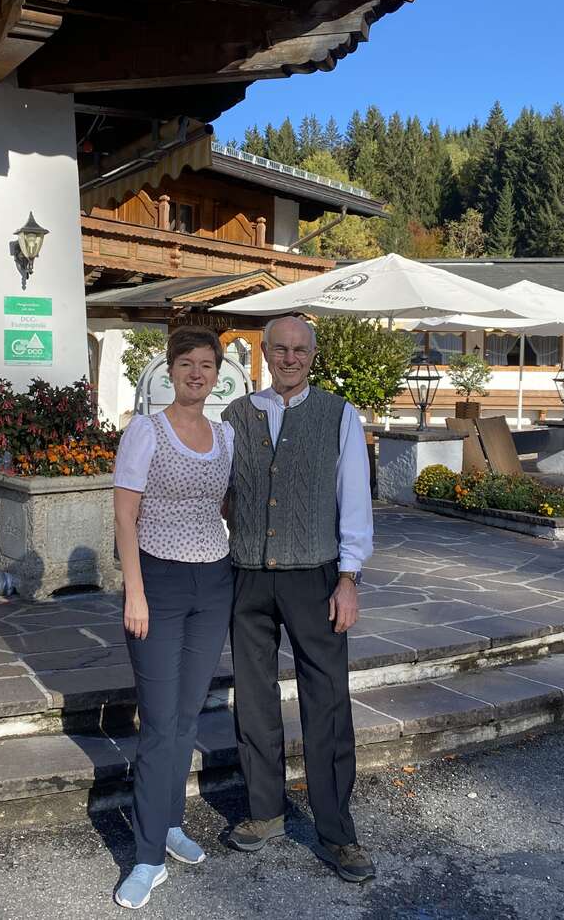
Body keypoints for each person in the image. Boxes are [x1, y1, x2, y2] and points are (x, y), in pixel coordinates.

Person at [222, 314, 375, 883]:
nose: (289, 359)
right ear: (264, 353)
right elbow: (224, 492)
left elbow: (353, 498)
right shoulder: (237, 415)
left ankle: (338, 832)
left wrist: (350, 577)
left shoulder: (338, 415)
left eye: (299, 351)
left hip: (316, 574)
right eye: (280, 350)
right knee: (255, 698)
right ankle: (264, 811)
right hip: (248, 576)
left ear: (313, 356)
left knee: (328, 702)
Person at [112, 326, 234, 910]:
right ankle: (146, 856)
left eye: (206, 364)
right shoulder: (146, 430)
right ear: (170, 369)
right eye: (186, 363)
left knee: (187, 716)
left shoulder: (226, 435)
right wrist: (134, 593)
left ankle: (171, 824)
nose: (195, 373)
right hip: (156, 581)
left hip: (214, 581)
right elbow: (125, 518)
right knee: (159, 723)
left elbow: (229, 505)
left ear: (217, 373)